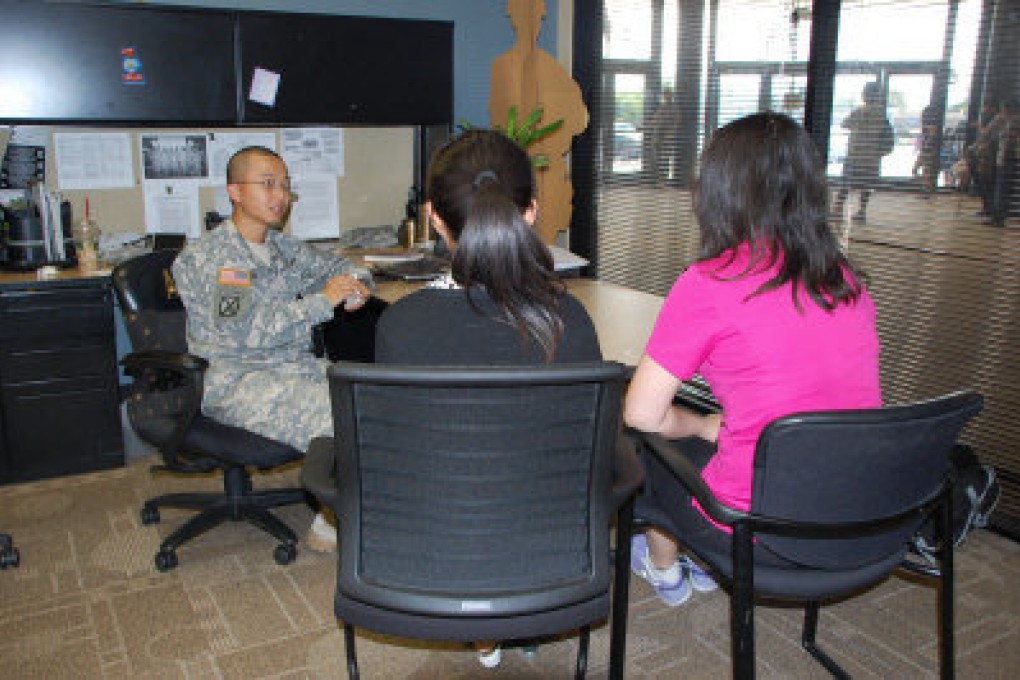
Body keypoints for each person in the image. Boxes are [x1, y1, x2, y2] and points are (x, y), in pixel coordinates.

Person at [623, 112, 882, 608]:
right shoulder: (845, 279)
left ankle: (667, 574)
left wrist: (701, 426)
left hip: (760, 529)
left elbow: (642, 413)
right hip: (856, 515)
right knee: (723, 436)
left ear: (718, 191)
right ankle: (701, 564)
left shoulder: (710, 281)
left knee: (645, 444)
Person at [375, 129, 601, 667]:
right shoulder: (569, 321)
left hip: (435, 546)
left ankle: (484, 627)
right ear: (530, 212)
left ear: (433, 216)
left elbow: (401, 452)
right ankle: (510, 613)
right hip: (551, 544)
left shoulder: (400, 325)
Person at [172, 145, 372, 553]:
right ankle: (331, 520)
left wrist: (356, 283)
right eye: (268, 184)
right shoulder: (215, 258)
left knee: (368, 396)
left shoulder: (282, 248)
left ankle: (361, 507)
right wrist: (323, 302)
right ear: (235, 191)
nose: (280, 195)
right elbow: (240, 336)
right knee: (338, 414)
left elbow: (336, 265)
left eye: (285, 186)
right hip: (235, 378)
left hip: (291, 366)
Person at [489, 0, 589, 244]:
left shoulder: (548, 65)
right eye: (525, 15)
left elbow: (578, 117)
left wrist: (552, 140)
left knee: (546, 252)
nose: (533, 22)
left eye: (539, 15)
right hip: (517, 173)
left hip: (549, 171)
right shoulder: (503, 65)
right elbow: (499, 118)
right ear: (513, 18)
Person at [833, 81, 894, 223]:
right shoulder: (882, 114)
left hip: (855, 154)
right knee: (866, 186)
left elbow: (844, 124)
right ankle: (861, 212)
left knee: (845, 184)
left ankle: (838, 210)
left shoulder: (859, 111)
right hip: (872, 157)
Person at [645, 87, 683, 185]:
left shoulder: (675, 109)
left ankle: (663, 181)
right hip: (657, 137)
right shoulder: (661, 107)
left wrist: (669, 136)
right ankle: (658, 180)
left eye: (668, 94)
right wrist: (643, 127)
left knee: (665, 159)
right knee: (655, 158)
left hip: (667, 139)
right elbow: (654, 121)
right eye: (665, 94)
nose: (666, 96)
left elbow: (676, 124)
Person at [913, 103, 941, 196]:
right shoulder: (928, 128)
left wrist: (924, 150)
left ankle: (927, 190)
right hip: (926, 151)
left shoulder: (931, 128)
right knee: (921, 171)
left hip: (928, 152)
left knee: (924, 171)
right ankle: (926, 190)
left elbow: (930, 141)